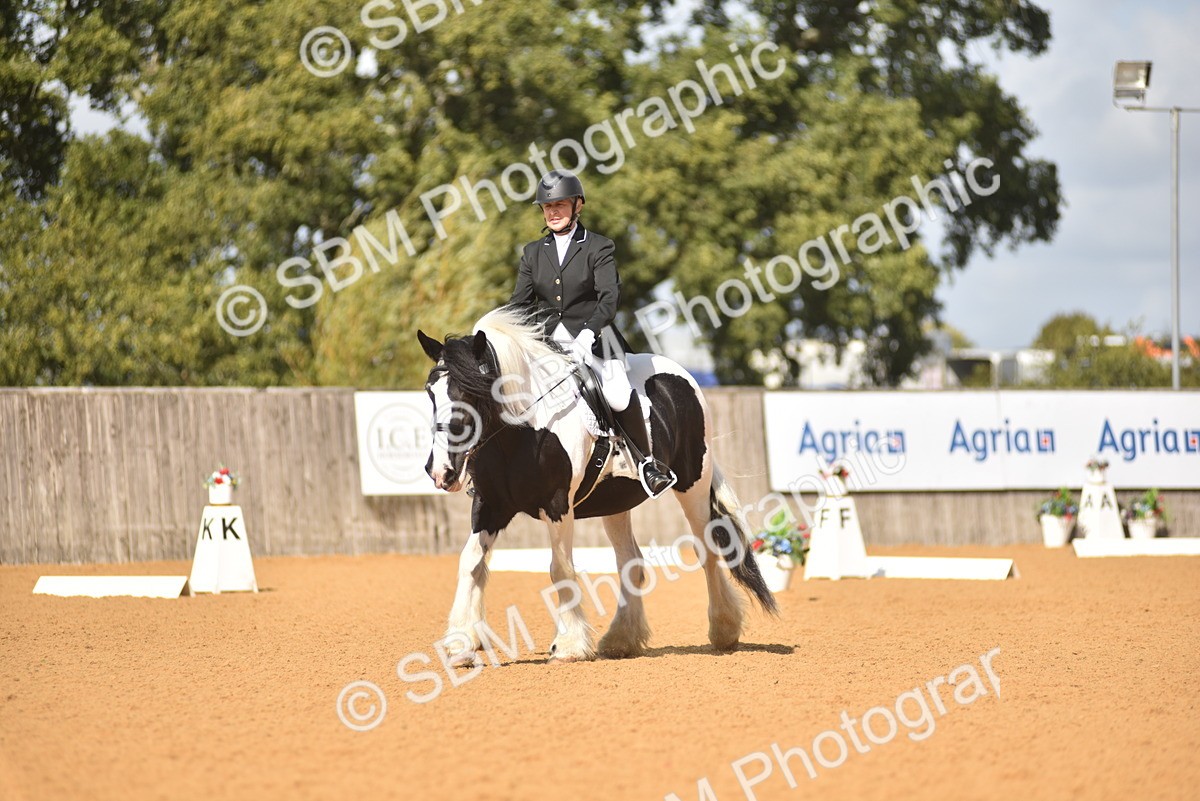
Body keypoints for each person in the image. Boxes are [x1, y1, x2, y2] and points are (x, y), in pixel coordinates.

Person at [508, 170, 676, 498]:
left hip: (599, 338)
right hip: (548, 343)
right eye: (547, 206)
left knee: (615, 391)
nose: (553, 212)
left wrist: (587, 334)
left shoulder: (599, 246)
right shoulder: (532, 253)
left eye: (559, 204)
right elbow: (519, 305)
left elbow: (609, 296)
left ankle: (645, 464)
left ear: (577, 205)